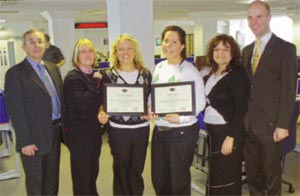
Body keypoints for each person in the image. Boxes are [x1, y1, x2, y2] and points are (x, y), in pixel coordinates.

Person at [242, 1, 298, 195]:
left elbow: (288, 90)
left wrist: (283, 124)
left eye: (259, 16)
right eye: (250, 17)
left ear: (269, 17)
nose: (254, 21)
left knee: (272, 176)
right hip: (249, 124)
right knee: (253, 175)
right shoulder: (247, 51)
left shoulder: (285, 49)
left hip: (271, 125)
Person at [4, 29, 63, 195]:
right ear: (24, 47)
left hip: (54, 132)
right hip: (33, 138)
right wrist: (25, 141)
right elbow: (15, 110)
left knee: (52, 181)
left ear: (45, 45)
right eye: (31, 41)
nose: (36, 45)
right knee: (36, 182)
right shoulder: (15, 73)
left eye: (39, 41)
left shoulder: (52, 69)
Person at [151, 25, 206, 195]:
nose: (169, 45)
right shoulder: (159, 67)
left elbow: (200, 103)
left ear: (182, 46)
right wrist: (149, 108)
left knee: (178, 180)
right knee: (159, 177)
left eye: (174, 42)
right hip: (160, 130)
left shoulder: (190, 71)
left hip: (181, 132)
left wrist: (181, 119)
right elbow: (152, 95)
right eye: (166, 41)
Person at [97, 33, 152, 196]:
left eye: (129, 48)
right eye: (121, 49)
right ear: (115, 52)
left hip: (141, 129)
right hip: (118, 130)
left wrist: (149, 110)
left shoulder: (145, 74)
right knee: (121, 169)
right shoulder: (108, 75)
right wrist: (101, 112)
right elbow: (103, 102)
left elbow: (150, 99)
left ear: (135, 52)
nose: (125, 52)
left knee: (136, 169)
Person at [203, 34, 250, 195]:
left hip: (228, 131)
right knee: (216, 175)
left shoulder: (238, 74)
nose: (220, 53)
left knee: (227, 177)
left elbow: (241, 109)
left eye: (225, 49)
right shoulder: (211, 74)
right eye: (216, 49)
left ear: (233, 52)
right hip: (213, 132)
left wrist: (231, 137)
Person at [63, 38, 103, 195]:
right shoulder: (73, 78)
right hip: (79, 134)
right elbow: (82, 104)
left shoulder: (94, 75)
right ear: (76, 56)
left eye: (91, 50)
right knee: (82, 175)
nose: (88, 54)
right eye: (83, 51)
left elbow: (99, 101)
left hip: (94, 131)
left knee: (92, 171)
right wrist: (95, 82)